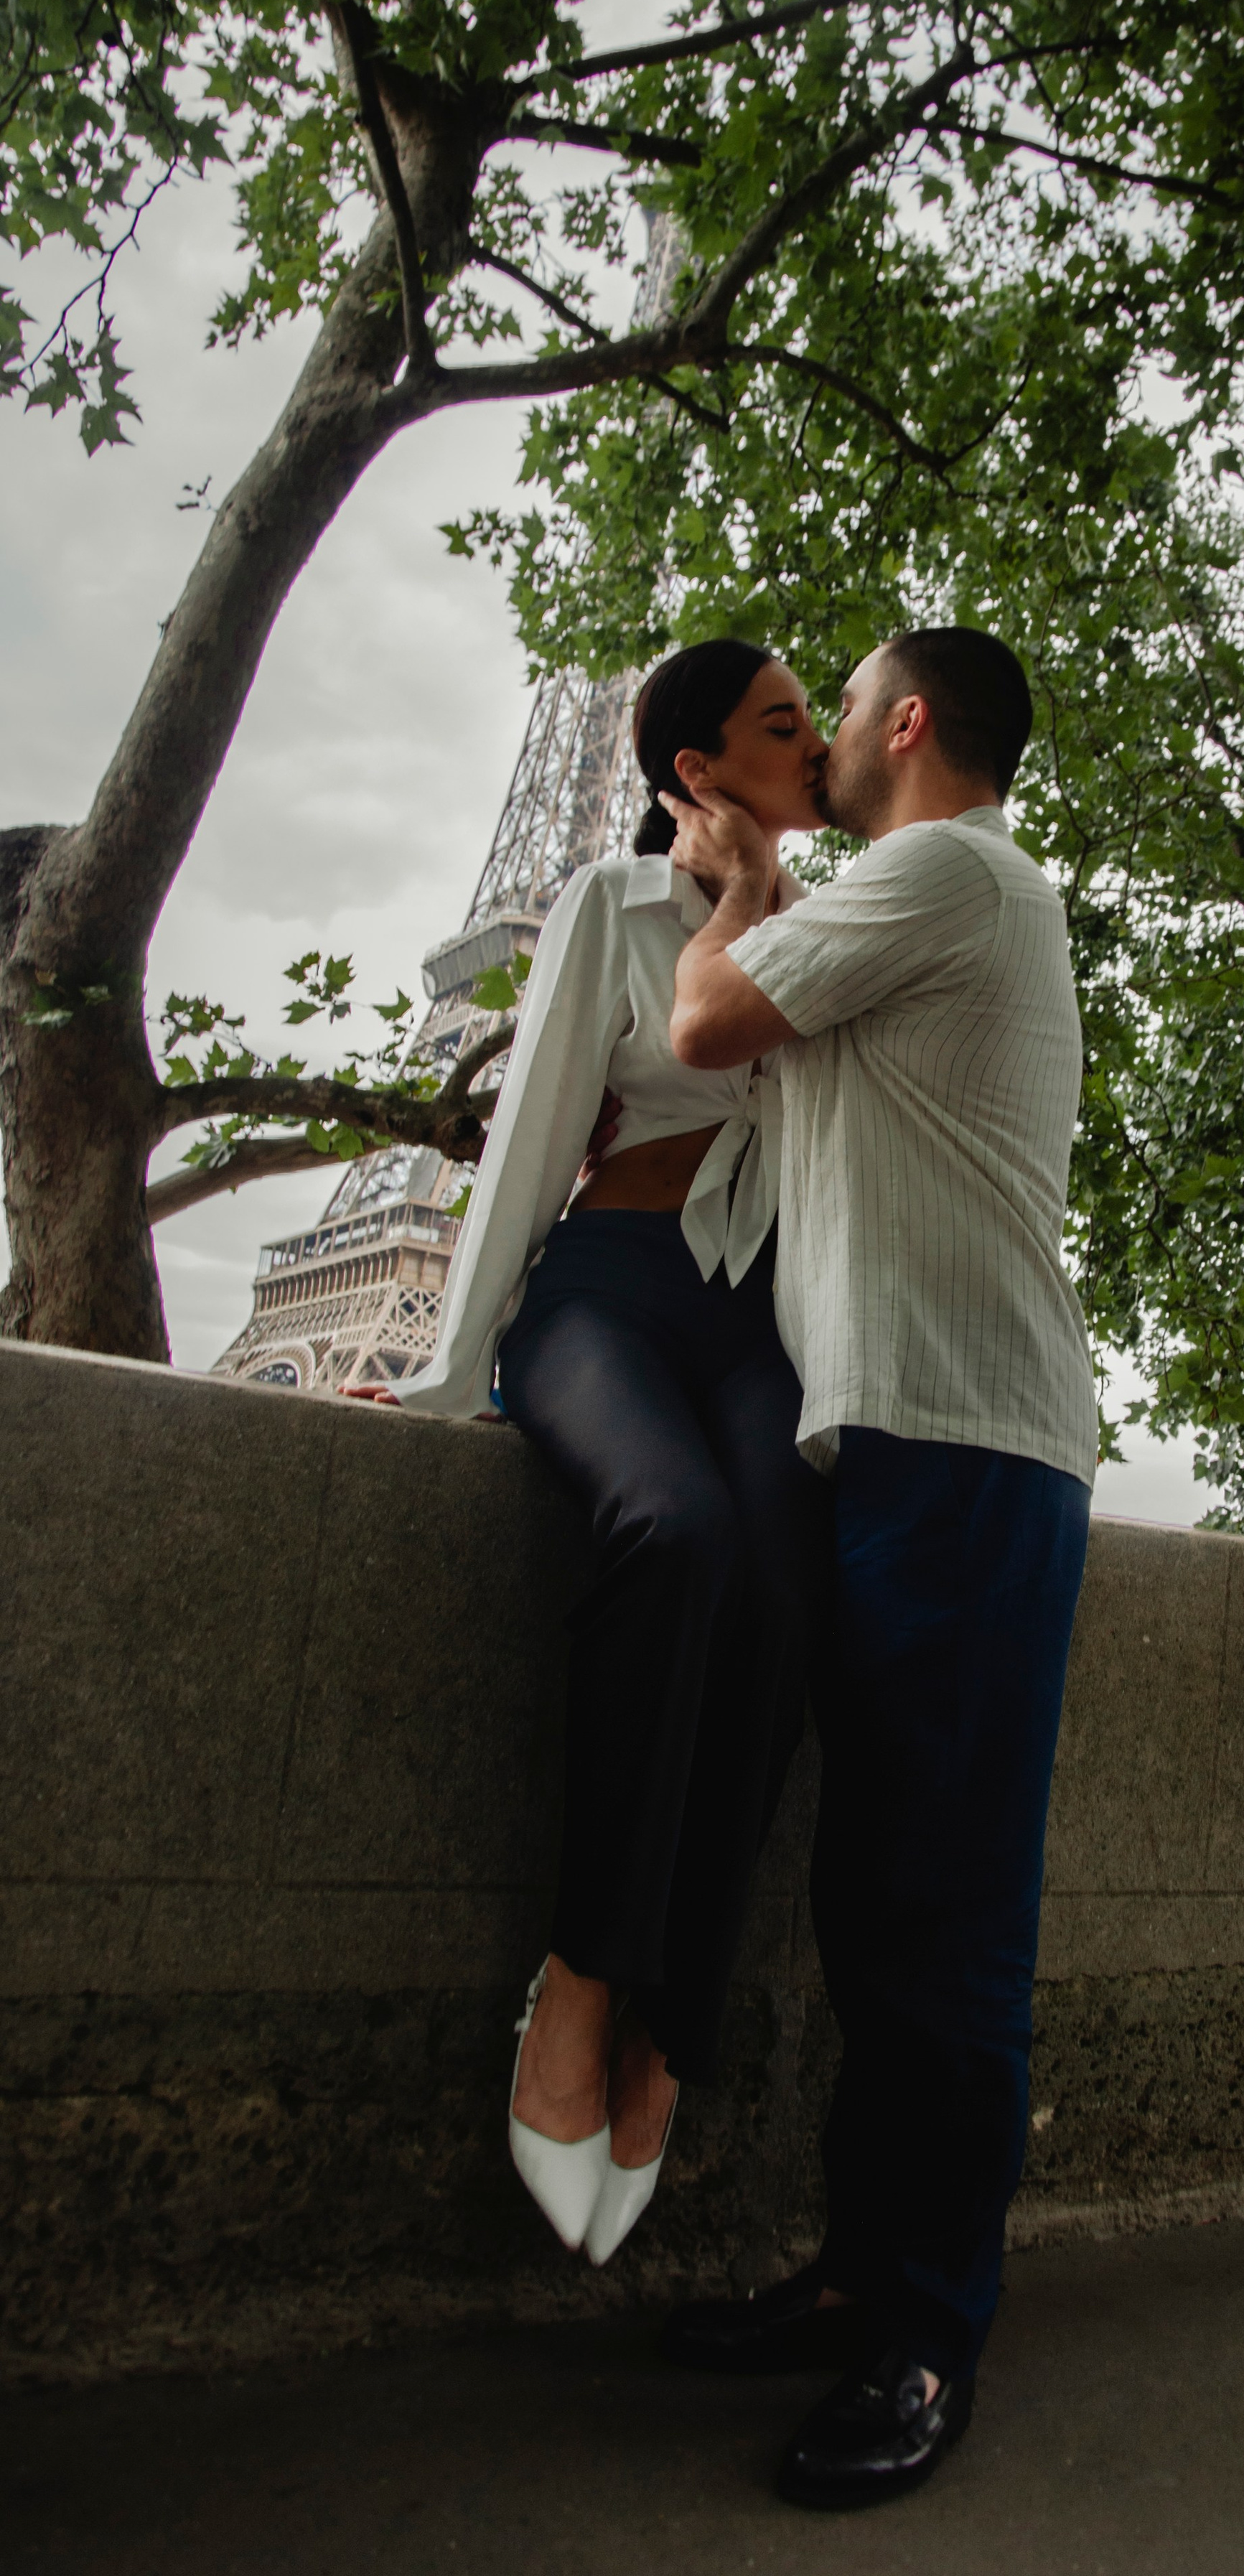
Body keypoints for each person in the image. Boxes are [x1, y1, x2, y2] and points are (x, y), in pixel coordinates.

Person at [657, 626, 1099, 2511]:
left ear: (906, 724)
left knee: (946, 1931)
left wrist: (736, 877)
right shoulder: (922, 904)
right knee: (873, 1908)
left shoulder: (945, 871)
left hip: (965, 1441)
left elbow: (704, 1022)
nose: (822, 737)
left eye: (836, 708)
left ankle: (929, 2331)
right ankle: (863, 2272)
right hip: (903, 1438)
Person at [375, 639, 833, 2267]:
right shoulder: (610, 903)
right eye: (783, 722)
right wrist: (447, 1374)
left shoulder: (841, 930)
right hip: (611, 1291)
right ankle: (580, 1980)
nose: (818, 739)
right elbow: (531, 1133)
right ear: (696, 769)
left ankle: (673, 2026)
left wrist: (767, 899)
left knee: (784, 1583)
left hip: (763, 1324)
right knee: (675, 1532)